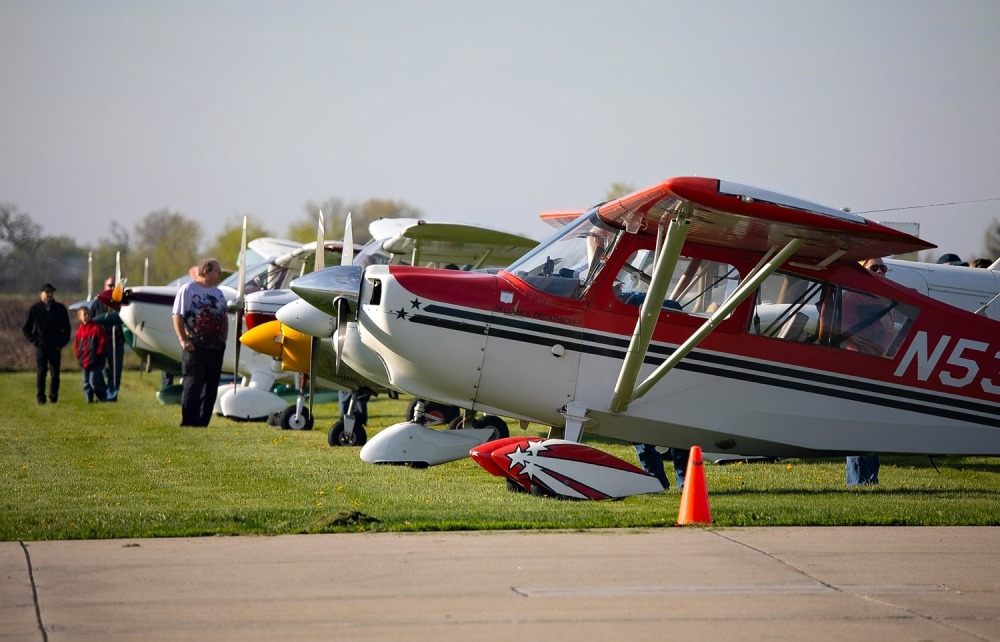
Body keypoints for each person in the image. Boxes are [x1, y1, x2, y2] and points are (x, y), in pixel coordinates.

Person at [172, 258, 228, 427]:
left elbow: (224, 317)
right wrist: (183, 339)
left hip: (216, 347)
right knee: (193, 383)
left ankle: (203, 422)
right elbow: (177, 315)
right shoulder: (188, 289)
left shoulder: (218, 293)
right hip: (195, 345)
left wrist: (223, 340)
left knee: (211, 386)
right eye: (217, 270)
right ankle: (189, 421)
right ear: (206, 272)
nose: (220, 274)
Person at [22, 282, 72, 404]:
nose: (49, 294)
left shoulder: (60, 309)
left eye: (51, 292)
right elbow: (26, 328)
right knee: (41, 372)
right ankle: (41, 397)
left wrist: (61, 344)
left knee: (55, 373)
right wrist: (34, 340)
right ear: (41, 294)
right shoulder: (34, 309)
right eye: (47, 292)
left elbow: (67, 329)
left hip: (55, 346)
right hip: (41, 346)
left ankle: (53, 397)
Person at [90, 277, 126, 401]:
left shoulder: (122, 302)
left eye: (114, 286)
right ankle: (101, 394)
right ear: (104, 287)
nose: (111, 288)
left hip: (116, 342)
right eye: (109, 286)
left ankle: (112, 394)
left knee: (115, 371)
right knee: (97, 371)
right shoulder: (97, 304)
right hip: (100, 344)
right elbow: (91, 322)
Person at [74, 307, 109, 403]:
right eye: (84, 315)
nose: (86, 316)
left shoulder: (96, 328)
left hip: (95, 361)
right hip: (84, 361)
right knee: (86, 383)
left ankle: (102, 397)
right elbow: (77, 345)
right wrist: (78, 354)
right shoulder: (79, 331)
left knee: (93, 382)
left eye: (88, 314)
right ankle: (89, 400)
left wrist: (98, 353)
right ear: (79, 317)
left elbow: (103, 341)